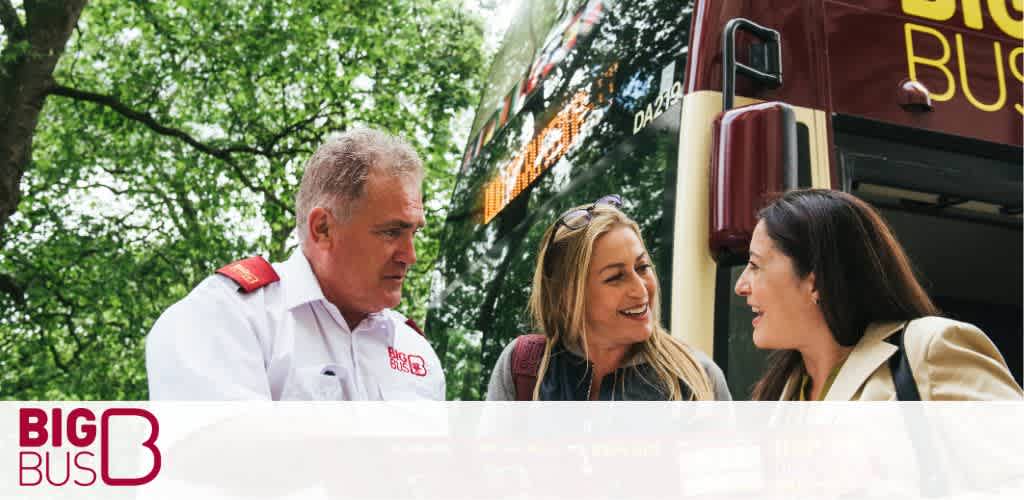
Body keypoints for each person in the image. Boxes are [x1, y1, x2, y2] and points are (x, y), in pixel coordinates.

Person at [146, 128, 444, 400]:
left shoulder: (415, 351)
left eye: (414, 233)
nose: (410, 255)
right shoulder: (225, 317)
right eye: (392, 232)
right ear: (323, 229)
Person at [735, 188, 1022, 401]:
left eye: (755, 265)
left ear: (816, 281)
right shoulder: (778, 394)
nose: (741, 285)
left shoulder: (930, 348)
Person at [487, 195, 730, 401]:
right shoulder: (522, 368)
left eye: (643, 267)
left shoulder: (698, 378)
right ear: (567, 296)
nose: (641, 289)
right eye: (615, 277)